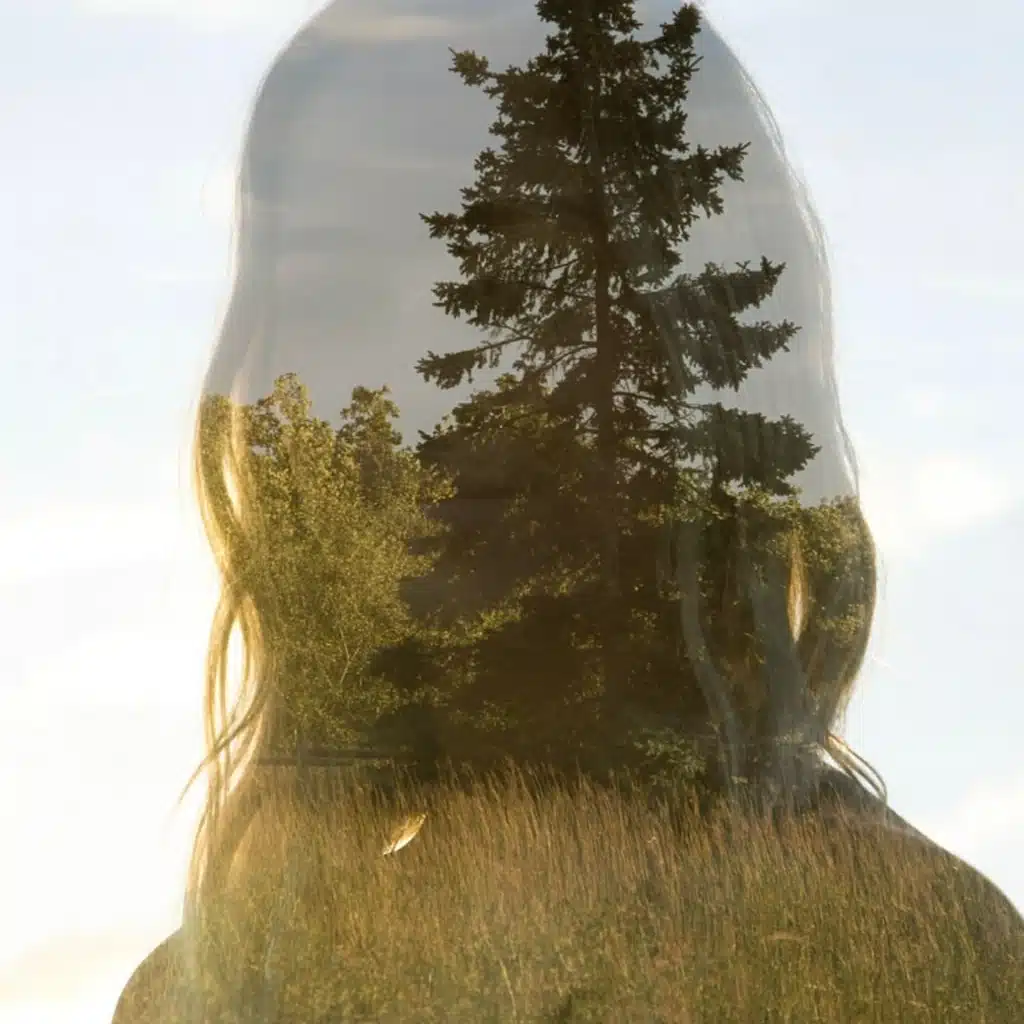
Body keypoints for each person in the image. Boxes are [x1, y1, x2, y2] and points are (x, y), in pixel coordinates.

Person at [111, 2, 1023, 1020]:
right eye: (350, 299)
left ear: (683, 353)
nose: (421, 393)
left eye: (510, 274)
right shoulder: (209, 997)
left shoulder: (909, 955)